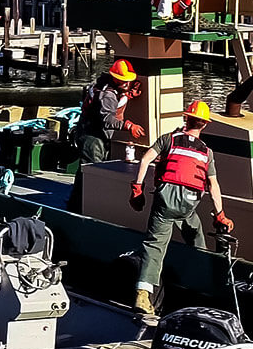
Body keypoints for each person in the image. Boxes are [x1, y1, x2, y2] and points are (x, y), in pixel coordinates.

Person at [128, 100, 234, 316]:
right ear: (204, 125)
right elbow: (213, 185)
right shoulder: (207, 152)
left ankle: (143, 293)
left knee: (155, 246)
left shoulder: (169, 139)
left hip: (165, 202)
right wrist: (220, 215)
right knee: (197, 237)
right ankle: (202, 287)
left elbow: (146, 160)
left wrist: (138, 188)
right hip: (188, 204)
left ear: (186, 118)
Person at [67, 59, 146, 212]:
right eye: (123, 81)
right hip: (92, 136)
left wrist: (127, 94)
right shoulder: (107, 94)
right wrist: (128, 125)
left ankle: (78, 203)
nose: (126, 83)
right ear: (115, 78)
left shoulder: (111, 87)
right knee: (91, 171)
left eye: (128, 81)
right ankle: (79, 207)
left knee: (88, 171)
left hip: (95, 134)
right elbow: (108, 119)